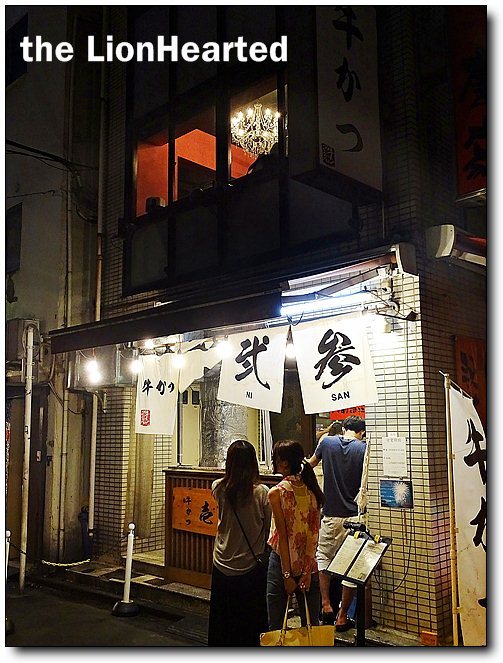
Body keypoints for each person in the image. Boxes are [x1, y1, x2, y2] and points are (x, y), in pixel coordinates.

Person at [208, 439, 272, 647]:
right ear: (253, 463)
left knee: (222, 619)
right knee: (249, 621)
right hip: (250, 565)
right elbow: (268, 529)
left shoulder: (218, 487)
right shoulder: (262, 493)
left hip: (221, 561)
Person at [309, 415, 366, 631]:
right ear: (361, 432)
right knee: (351, 567)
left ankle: (326, 605)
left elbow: (309, 466)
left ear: (343, 429)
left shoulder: (327, 443)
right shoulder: (363, 449)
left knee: (323, 557)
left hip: (330, 515)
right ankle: (342, 616)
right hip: (354, 518)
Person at [266, 440, 325, 631]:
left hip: (281, 563)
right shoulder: (313, 491)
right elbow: (314, 535)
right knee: (311, 626)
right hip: (309, 564)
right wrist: (306, 572)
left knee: (276, 627)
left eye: (275, 458)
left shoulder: (277, 493)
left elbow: (283, 537)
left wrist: (286, 575)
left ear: (284, 462)